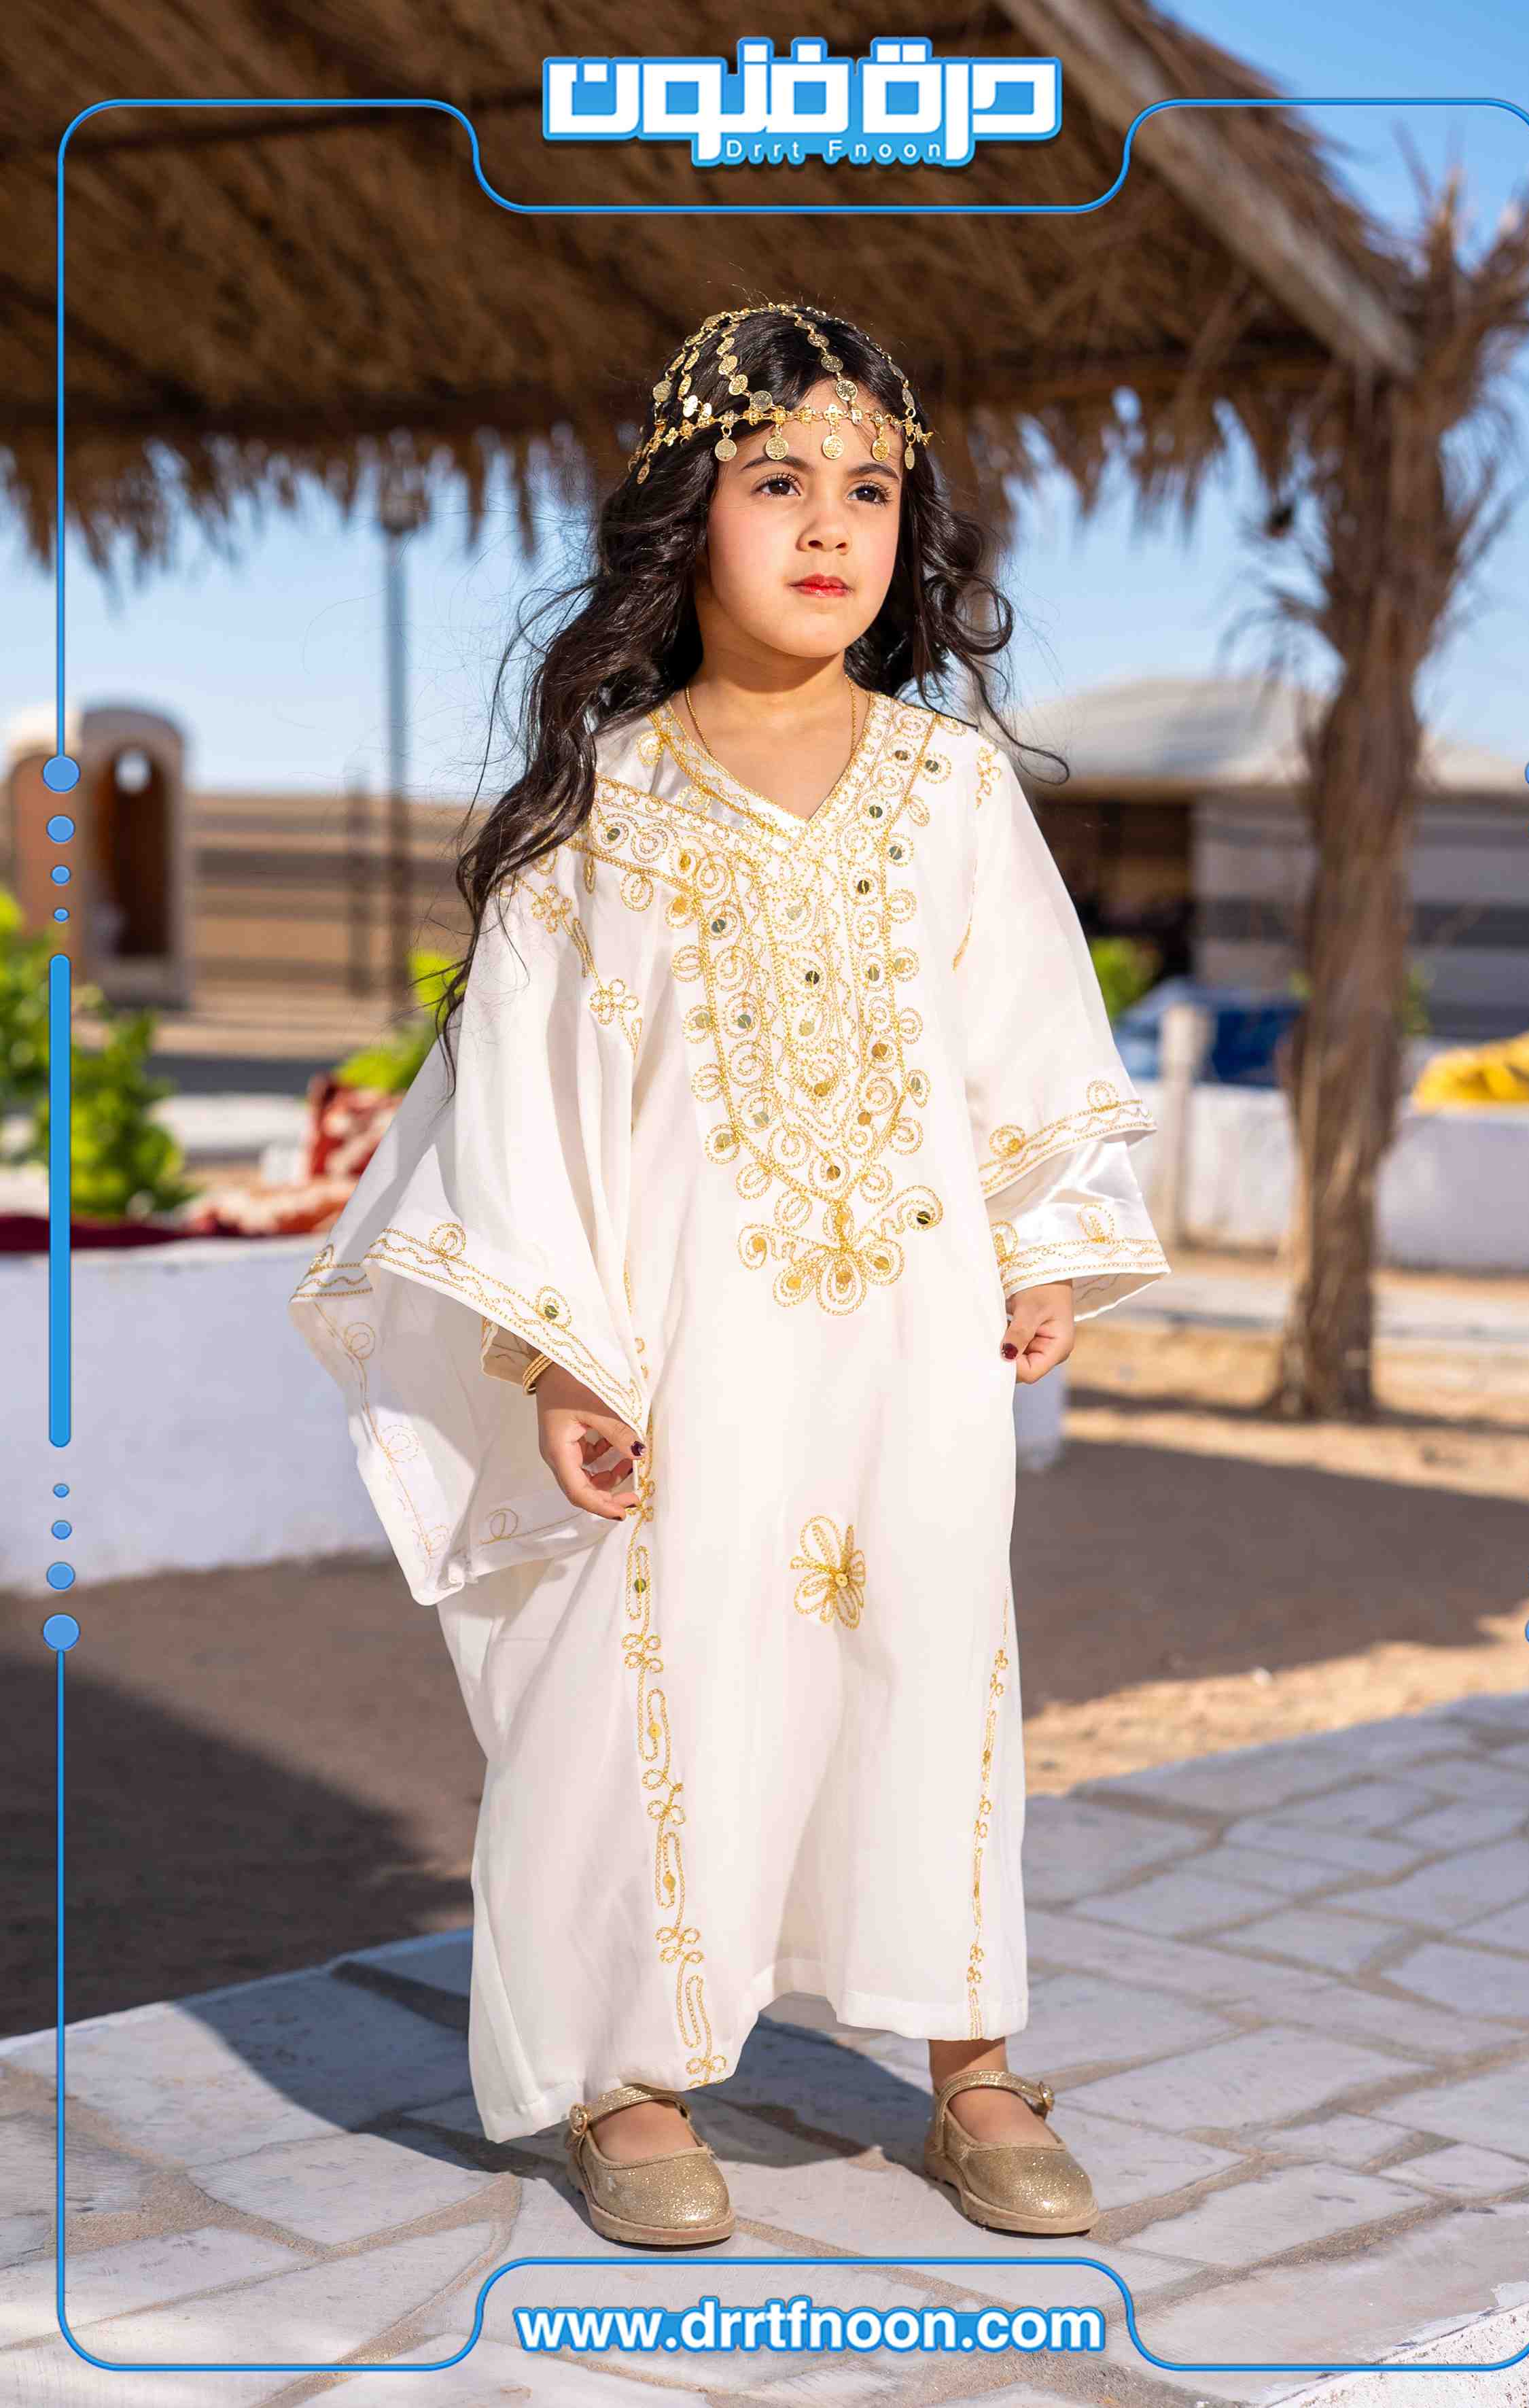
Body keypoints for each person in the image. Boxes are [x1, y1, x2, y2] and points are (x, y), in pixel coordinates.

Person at [289, 301, 1170, 2251]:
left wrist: (1045, 1244)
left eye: (872, 487)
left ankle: (972, 2060)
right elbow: (524, 1108)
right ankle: (627, 2073)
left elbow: (1030, 1039)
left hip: (909, 1335)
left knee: (928, 1654)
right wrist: (559, 1359)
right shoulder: (598, 810)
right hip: (678, 1344)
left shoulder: (951, 789)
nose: (831, 523)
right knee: (652, 1675)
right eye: (778, 481)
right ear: (685, 520)